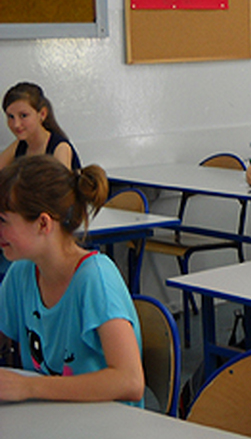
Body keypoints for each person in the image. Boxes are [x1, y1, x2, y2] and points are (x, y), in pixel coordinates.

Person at [0, 155, 144, 405]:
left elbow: (130, 381)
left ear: (43, 224)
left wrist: (29, 386)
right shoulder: (22, 271)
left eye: (3, 221)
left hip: (107, 422)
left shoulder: (95, 279)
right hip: (52, 417)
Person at [0, 82, 81, 172]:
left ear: (42, 114)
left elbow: (61, 181)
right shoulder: (19, 144)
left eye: (23, 115)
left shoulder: (61, 149)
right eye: (11, 117)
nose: (16, 124)